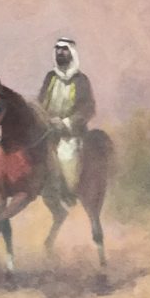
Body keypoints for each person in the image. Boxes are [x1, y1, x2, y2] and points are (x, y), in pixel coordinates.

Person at [37, 36, 96, 203]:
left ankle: (68, 194)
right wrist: (46, 119)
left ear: (71, 53)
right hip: (47, 130)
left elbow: (88, 109)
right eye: (57, 49)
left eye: (64, 50)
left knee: (66, 157)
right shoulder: (50, 77)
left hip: (70, 134)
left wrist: (66, 123)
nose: (60, 53)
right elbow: (41, 102)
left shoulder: (81, 80)